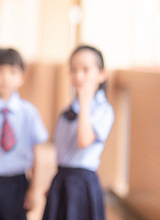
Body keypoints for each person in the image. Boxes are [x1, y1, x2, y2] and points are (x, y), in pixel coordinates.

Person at [42, 45, 114, 220]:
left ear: (101, 74)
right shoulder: (68, 110)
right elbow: (62, 151)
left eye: (86, 69)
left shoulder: (103, 110)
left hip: (83, 184)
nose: (78, 76)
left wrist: (85, 103)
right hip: (61, 179)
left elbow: (84, 141)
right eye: (73, 70)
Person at [0, 48, 49, 220]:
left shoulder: (28, 112)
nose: (5, 78)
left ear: (22, 77)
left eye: (12, 72)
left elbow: (36, 153)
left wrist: (34, 189)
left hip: (18, 182)